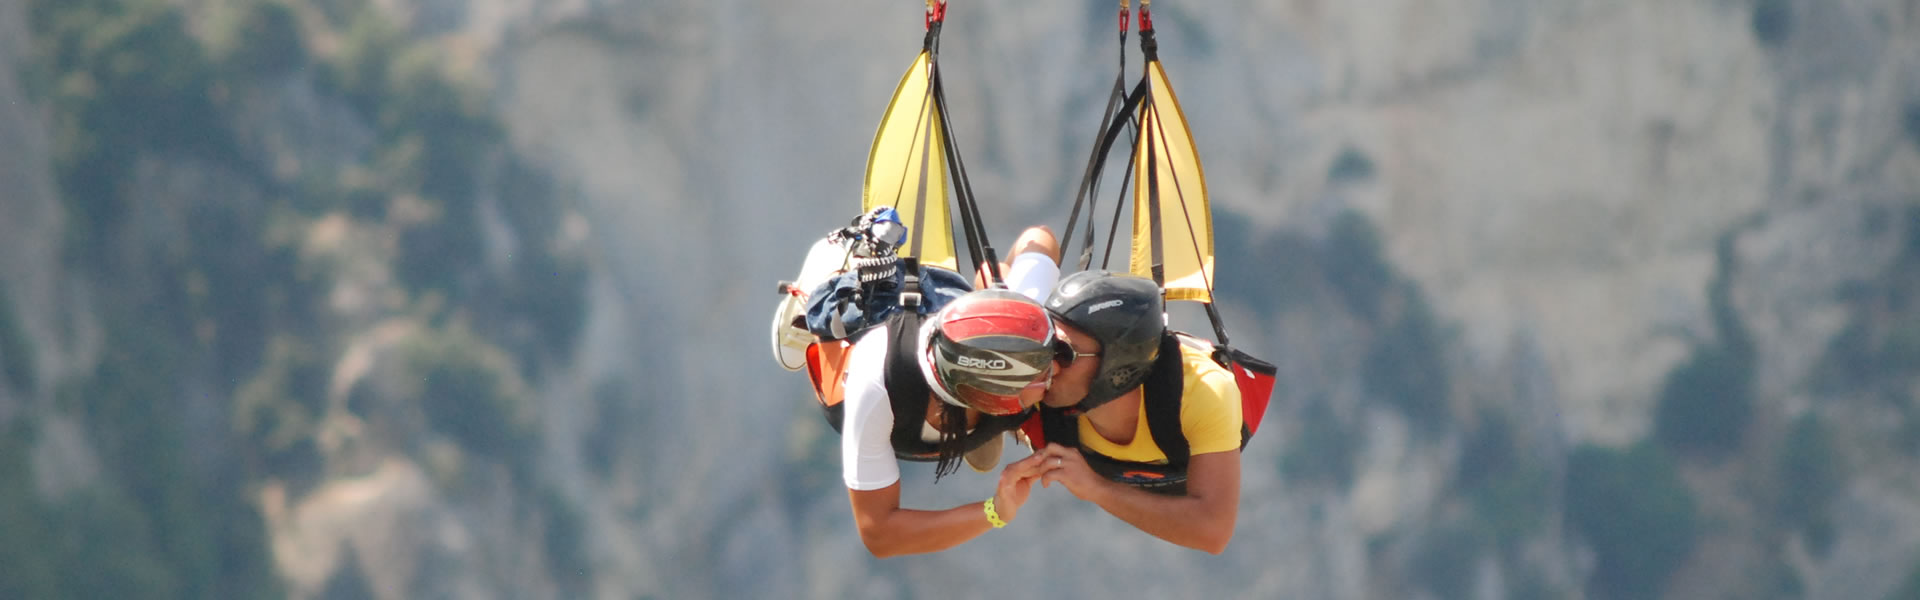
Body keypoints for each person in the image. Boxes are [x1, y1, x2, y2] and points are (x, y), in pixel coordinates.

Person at [806, 225, 1067, 557]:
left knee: (999, 279)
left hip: (960, 320)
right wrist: (995, 511)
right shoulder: (877, 381)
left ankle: (987, 286)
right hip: (863, 366)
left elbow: (1040, 237)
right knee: (817, 297)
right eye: (1041, 374)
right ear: (995, 397)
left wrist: (1011, 299)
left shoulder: (1028, 327)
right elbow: (878, 534)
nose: (1056, 370)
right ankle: (806, 295)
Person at [1032, 270, 1243, 554]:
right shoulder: (1034, 381)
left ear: (1116, 366)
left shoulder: (1205, 392)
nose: (1049, 367)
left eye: (1064, 354)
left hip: (1189, 446)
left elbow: (1213, 531)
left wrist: (1096, 488)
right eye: (1047, 349)